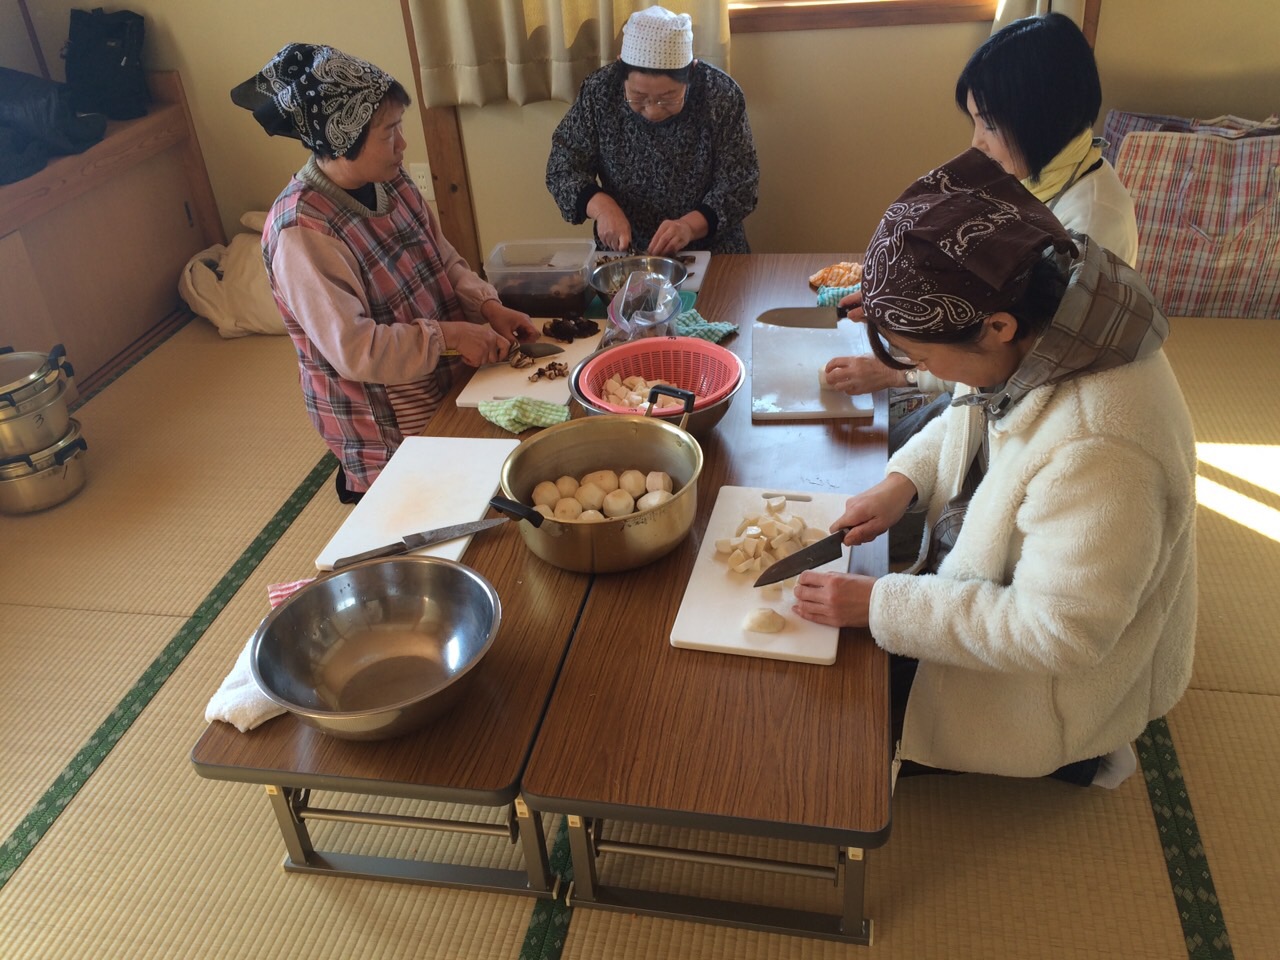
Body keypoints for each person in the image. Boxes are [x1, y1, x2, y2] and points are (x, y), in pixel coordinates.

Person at [791, 148, 1196, 788]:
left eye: (923, 356)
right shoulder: (1048, 323)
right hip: (1030, 584)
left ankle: (1085, 755)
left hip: (1055, 689)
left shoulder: (1101, 449)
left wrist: (880, 606)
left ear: (998, 327)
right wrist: (902, 483)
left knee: (824, 726)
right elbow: (970, 412)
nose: (922, 371)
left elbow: (1059, 632)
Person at [232, 43, 538, 503]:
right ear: (341, 136)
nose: (402, 144)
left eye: (400, 126)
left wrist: (487, 306)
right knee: (434, 507)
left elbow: (442, 258)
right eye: (388, 132)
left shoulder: (391, 181)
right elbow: (357, 351)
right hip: (382, 421)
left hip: (441, 374)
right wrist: (452, 335)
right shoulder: (303, 231)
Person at [823, 13, 1138, 436]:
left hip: (1017, 403)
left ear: (1041, 119)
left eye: (989, 124)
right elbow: (974, 271)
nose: (977, 142)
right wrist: (900, 298)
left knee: (879, 441)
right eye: (975, 121)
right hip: (966, 370)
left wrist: (900, 373)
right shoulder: (1033, 176)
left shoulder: (1089, 227)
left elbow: (1022, 357)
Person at [545, 5, 760, 256]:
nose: (652, 110)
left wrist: (689, 227)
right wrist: (602, 207)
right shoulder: (599, 92)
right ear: (619, 70)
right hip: (627, 251)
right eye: (638, 97)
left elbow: (741, 183)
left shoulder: (719, 94)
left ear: (692, 71)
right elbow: (563, 166)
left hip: (711, 250)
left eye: (668, 98)